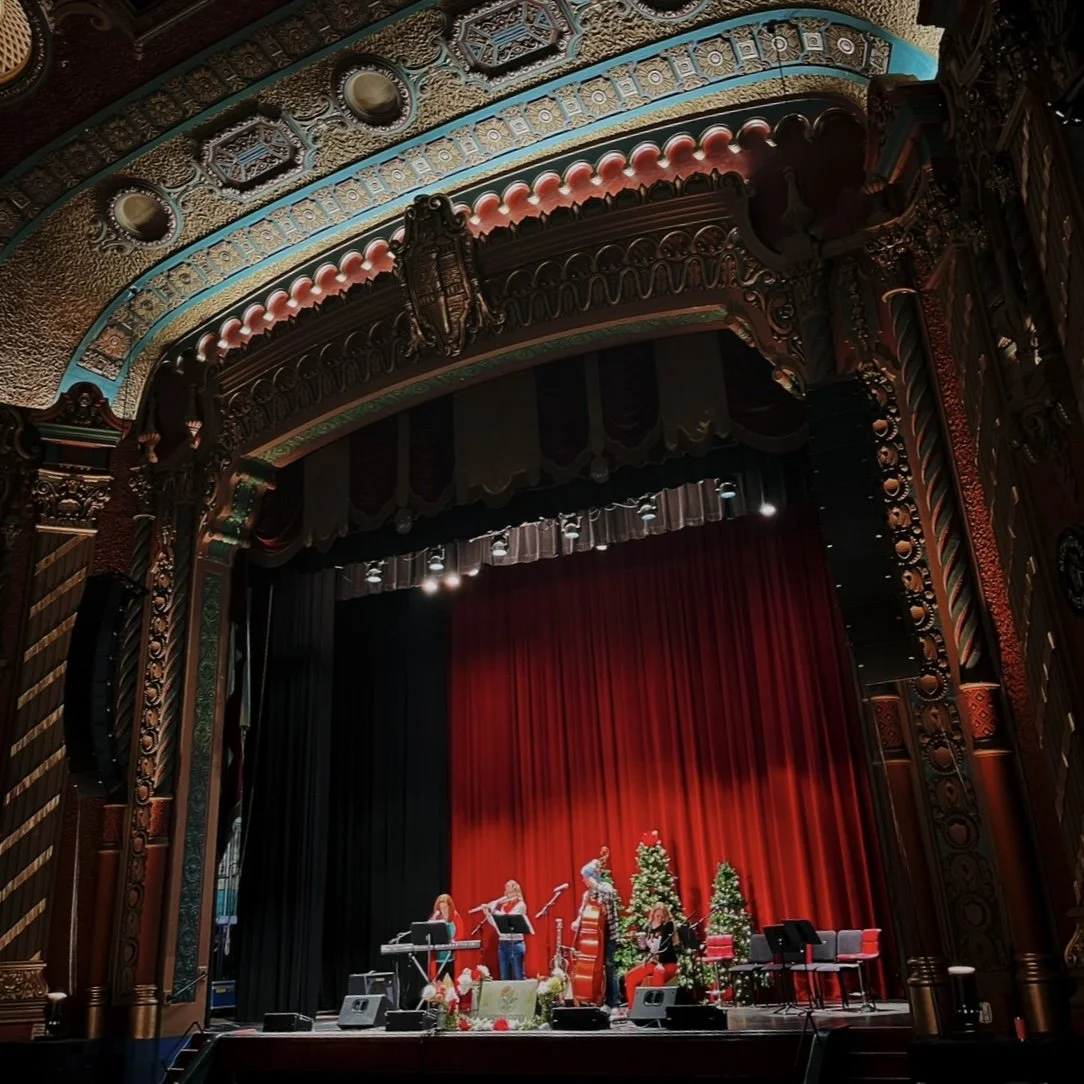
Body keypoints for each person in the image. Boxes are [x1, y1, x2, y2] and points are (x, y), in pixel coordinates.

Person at [572, 859, 621, 1010]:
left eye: (585, 877)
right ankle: (596, 997)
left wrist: (595, 883)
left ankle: (614, 1003)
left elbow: (608, 896)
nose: (583, 880)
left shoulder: (605, 887)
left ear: (592, 876)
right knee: (594, 968)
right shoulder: (587, 894)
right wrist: (577, 921)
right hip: (593, 938)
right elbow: (584, 911)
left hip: (607, 935)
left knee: (610, 966)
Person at [623, 902, 679, 1007]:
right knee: (630, 977)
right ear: (652, 914)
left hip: (668, 963)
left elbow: (664, 947)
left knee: (658, 972)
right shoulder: (647, 927)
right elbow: (645, 949)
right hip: (653, 962)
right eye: (658, 916)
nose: (660, 919)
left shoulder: (668, 925)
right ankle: (633, 1008)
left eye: (663, 916)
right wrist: (642, 946)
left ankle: (657, 1008)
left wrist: (659, 962)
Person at [484, 880, 528, 980]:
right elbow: (498, 925)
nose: (507, 889)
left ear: (515, 888)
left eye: (509, 887)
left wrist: (494, 909)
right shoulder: (504, 906)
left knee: (519, 975)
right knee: (504, 976)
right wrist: (488, 914)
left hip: (516, 943)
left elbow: (509, 918)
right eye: (506, 887)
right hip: (503, 944)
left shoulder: (521, 905)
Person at [429, 893, 463, 981]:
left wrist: (454, 940)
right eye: (441, 908)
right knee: (439, 987)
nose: (443, 911)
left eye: (445, 908)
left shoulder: (455, 917)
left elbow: (461, 934)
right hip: (438, 960)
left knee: (451, 985)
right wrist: (434, 918)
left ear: (450, 907)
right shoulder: (435, 919)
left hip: (451, 958)